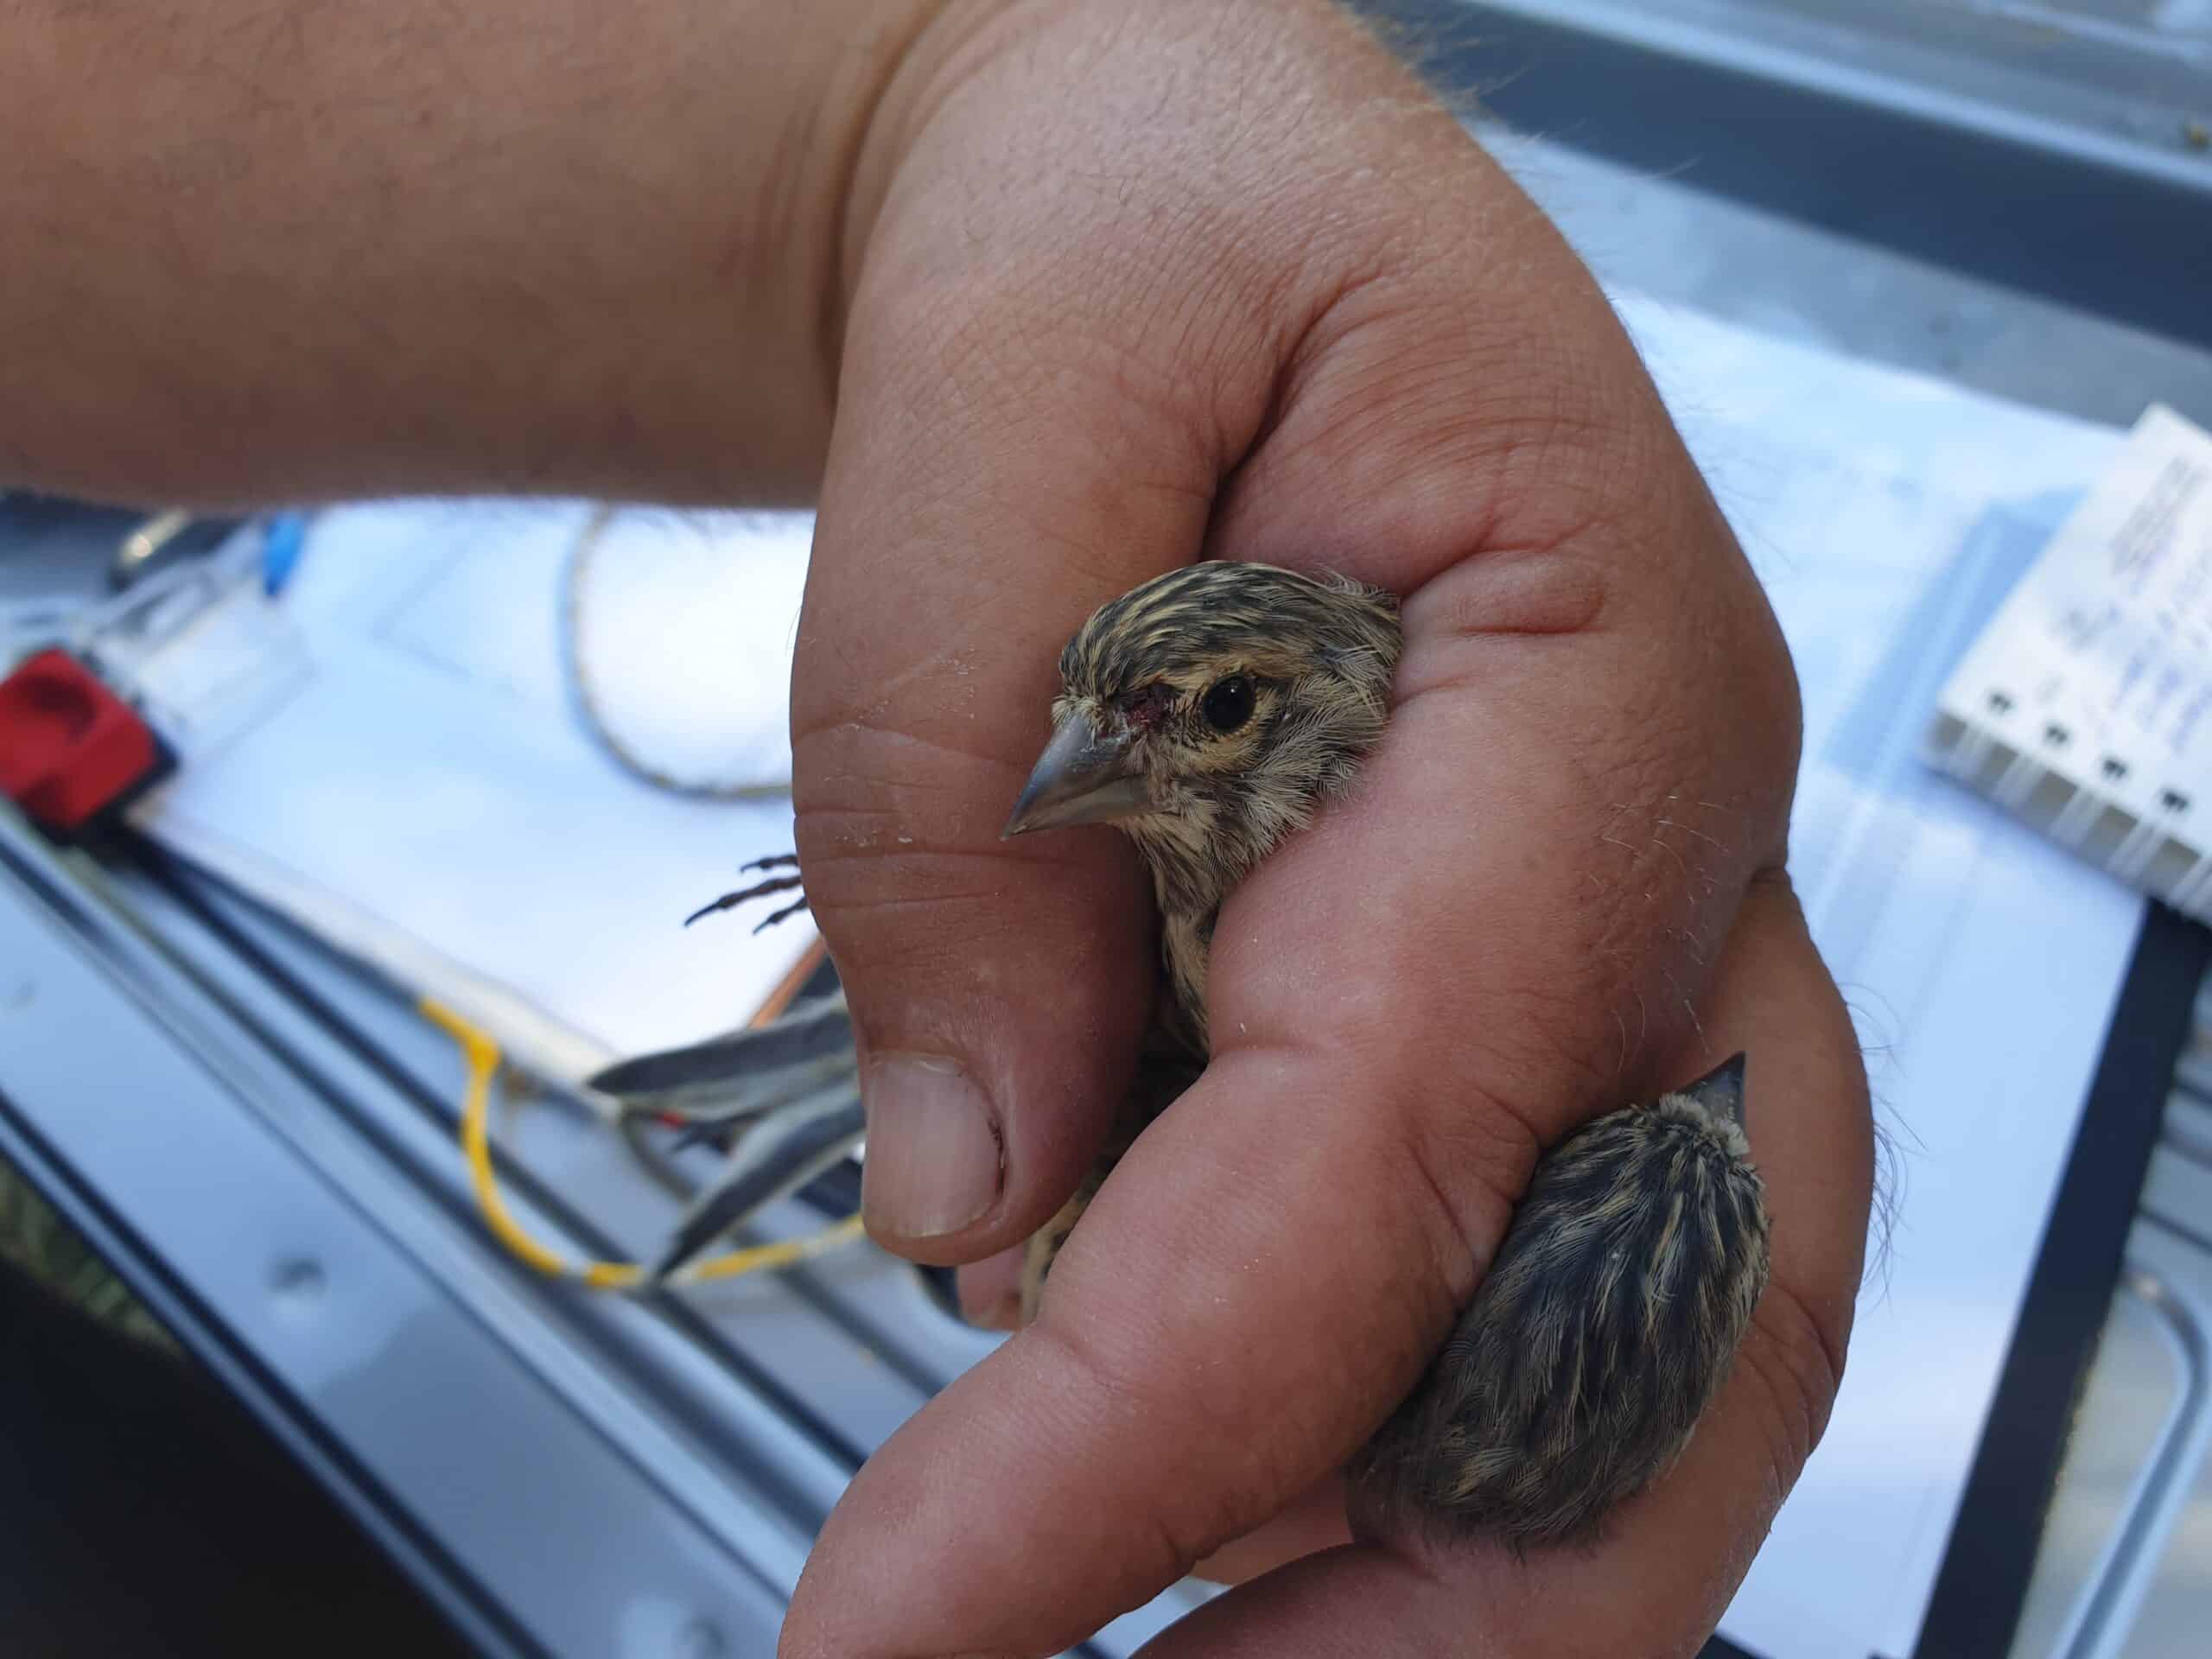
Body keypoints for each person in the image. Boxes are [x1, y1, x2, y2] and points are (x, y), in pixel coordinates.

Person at [3, 2, 1872, 1651]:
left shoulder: (1431, 870)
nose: (1059, 776)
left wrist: (969, 81)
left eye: (1208, 718)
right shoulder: (1216, 881)